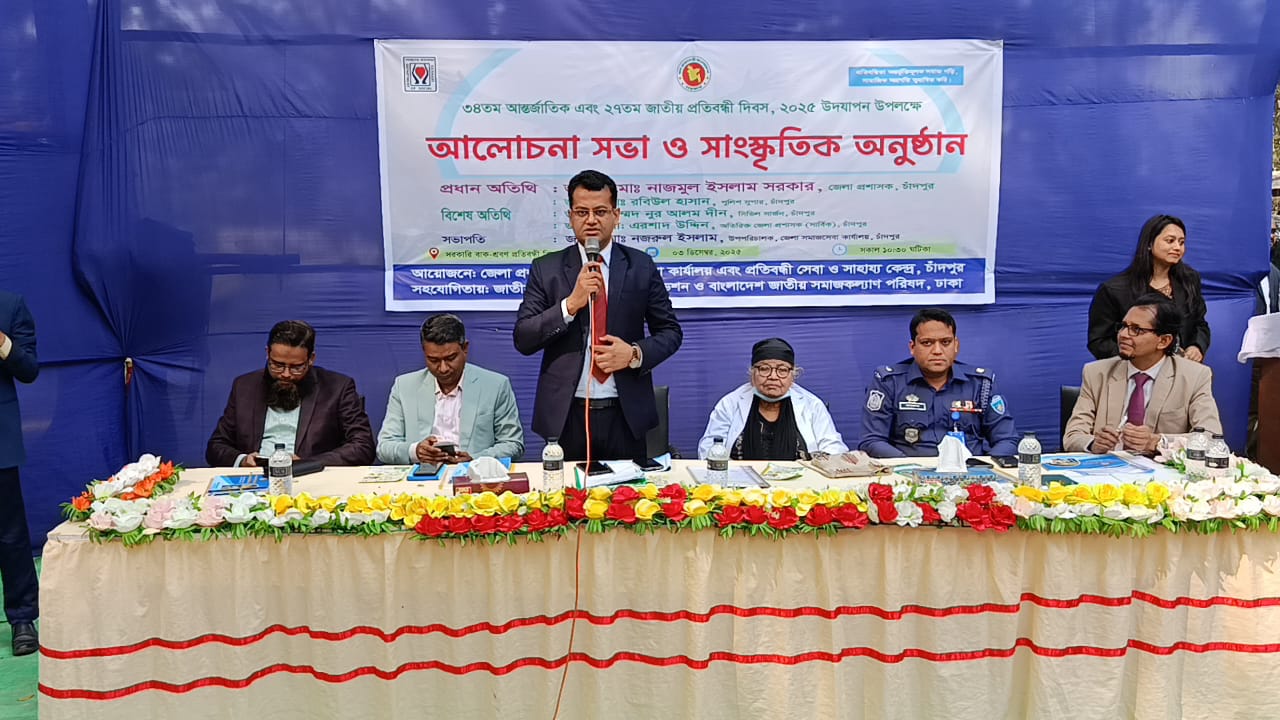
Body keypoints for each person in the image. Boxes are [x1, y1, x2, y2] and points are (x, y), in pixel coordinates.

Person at [514, 169, 683, 461]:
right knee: (567, 491)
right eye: (582, 212)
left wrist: (633, 354)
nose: (591, 220)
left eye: (600, 211)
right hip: (567, 416)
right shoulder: (547, 268)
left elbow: (670, 332)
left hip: (625, 416)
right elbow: (524, 338)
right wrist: (570, 304)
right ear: (570, 217)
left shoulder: (640, 266)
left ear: (616, 216)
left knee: (628, 490)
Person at [1064, 293, 1222, 455]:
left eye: (1136, 329)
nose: (1123, 335)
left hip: (1159, 468)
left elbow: (1210, 438)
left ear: (1164, 341)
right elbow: (1072, 435)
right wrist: (1093, 443)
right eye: (1123, 326)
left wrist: (1157, 442)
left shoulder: (1195, 376)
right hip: (1107, 465)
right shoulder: (1096, 373)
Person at [206, 320, 375, 467]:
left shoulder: (337, 387)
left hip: (310, 477)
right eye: (277, 365)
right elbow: (216, 446)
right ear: (267, 353)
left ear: (311, 359)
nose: (286, 374)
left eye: (296, 367)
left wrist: (309, 463)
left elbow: (363, 446)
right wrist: (242, 460)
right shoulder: (244, 386)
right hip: (255, 475)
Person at [860, 308, 1019, 458]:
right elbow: (872, 440)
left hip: (970, 472)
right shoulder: (889, 382)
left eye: (945, 342)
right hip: (907, 472)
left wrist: (982, 469)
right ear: (912, 347)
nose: (937, 351)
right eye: (927, 343)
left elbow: (1007, 440)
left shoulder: (980, 384)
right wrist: (908, 466)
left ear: (956, 345)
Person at [377, 314, 524, 465]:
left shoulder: (496, 386)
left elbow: (512, 444)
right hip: (422, 475)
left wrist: (476, 459)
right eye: (433, 360)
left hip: (472, 475)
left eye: (450, 358)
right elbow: (384, 447)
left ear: (465, 348)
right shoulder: (404, 386)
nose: (443, 368)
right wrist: (416, 451)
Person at [697, 338, 847, 460]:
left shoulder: (812, 405)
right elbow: (709, 449)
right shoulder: (730, 403)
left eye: (782, 370)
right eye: (764, 369)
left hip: (801, 483)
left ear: (792, 376)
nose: (773, 376)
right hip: (739, 483)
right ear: (752, 373)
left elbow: (834, 449)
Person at [1088, 214, 1210, 362]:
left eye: (1181, 242)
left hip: (1181, 367)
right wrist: (1141, 360)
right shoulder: (1114, 290)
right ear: (1149, 243)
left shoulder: (1189, 280)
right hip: (1133, 370)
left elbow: (1199, 324)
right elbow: (1099, 341)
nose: (1177, 247)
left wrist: (1196, 346)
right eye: (1170, 241)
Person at [0, 291, 38, 656]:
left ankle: (23, 618)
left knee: (10, 535)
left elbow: (29, 370)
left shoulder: (10, 306)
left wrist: (3, 344)